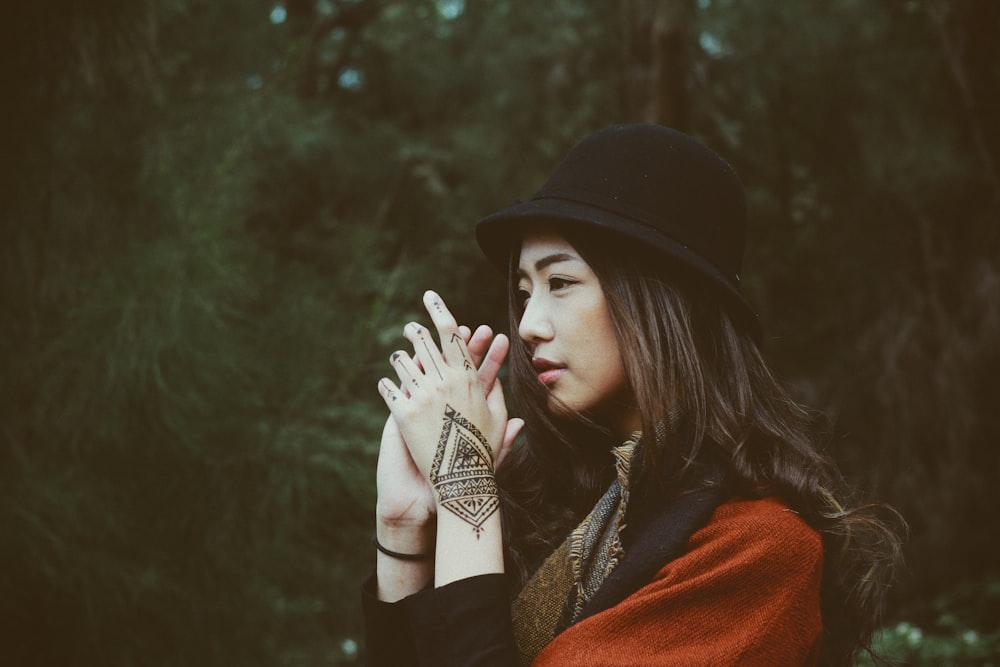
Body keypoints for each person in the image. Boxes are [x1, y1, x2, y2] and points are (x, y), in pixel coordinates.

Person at [362, 123, 902, 666]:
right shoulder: (561, 512)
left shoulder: (761, 549)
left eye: (561, 283)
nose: (528, 324)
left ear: (659, 294)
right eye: (525, 293)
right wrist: (403, 526)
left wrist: (465, 488)